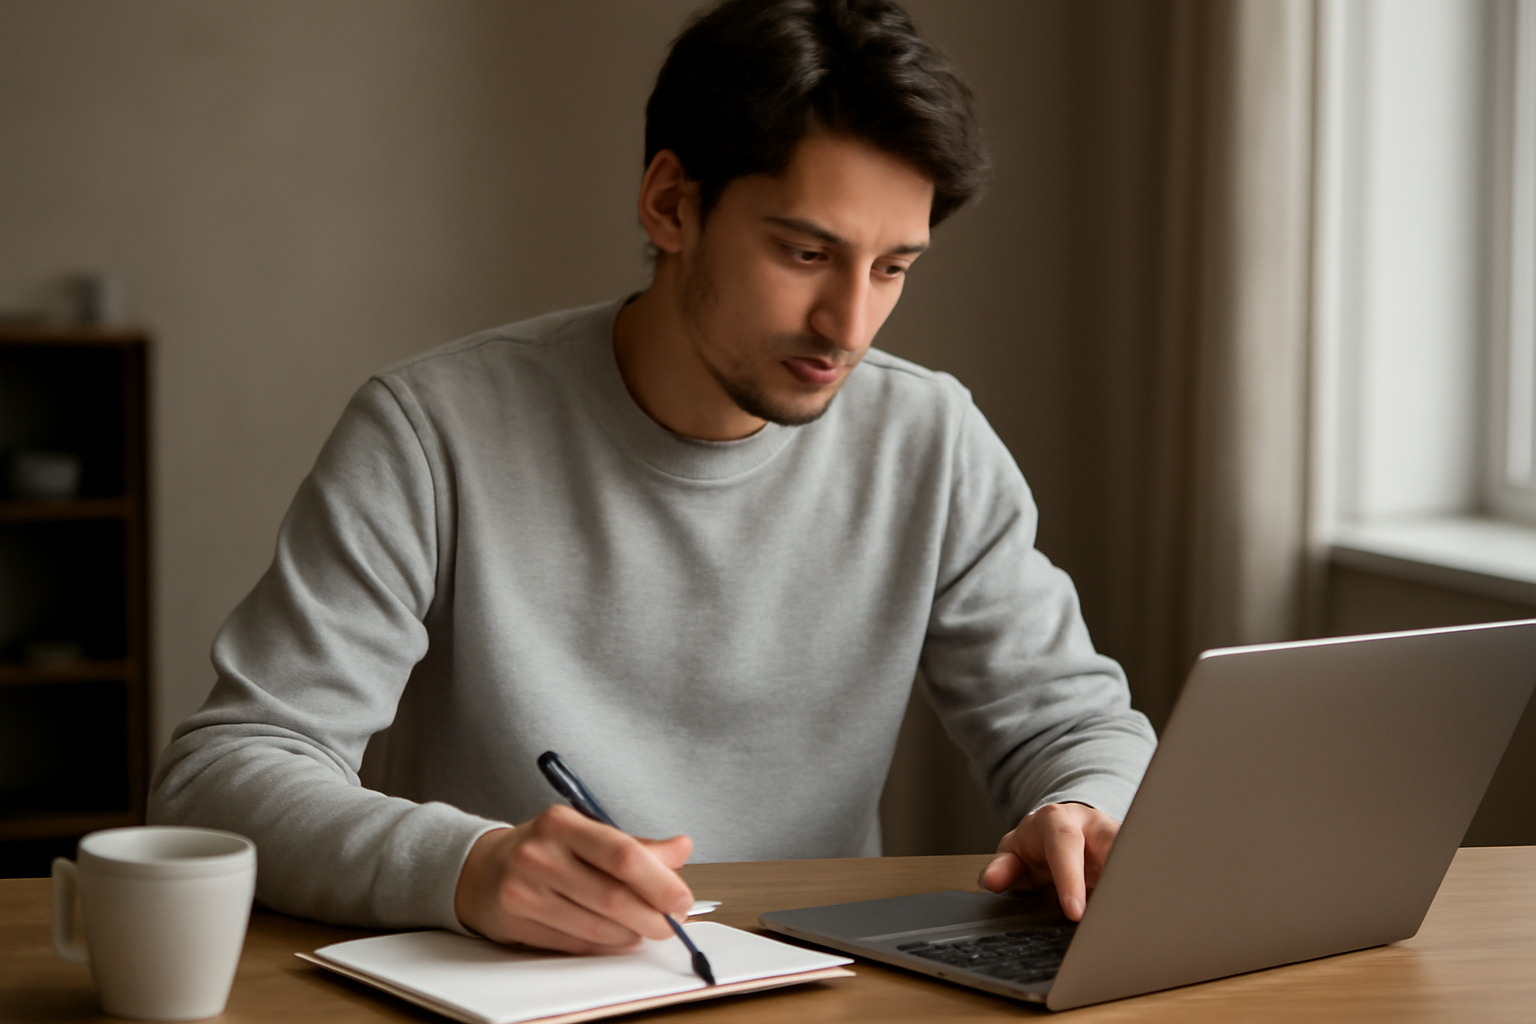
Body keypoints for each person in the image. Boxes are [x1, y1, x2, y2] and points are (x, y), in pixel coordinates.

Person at [149, 0, 1156, 957]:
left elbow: (1074, 725)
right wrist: (467, 866)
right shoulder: (430, 432)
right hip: (516, 989)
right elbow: (222, 775)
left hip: (824, 989)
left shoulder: (929, 440)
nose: (849, 325)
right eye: (807, 252)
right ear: (671, 202)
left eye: (893, 267)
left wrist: (1084, 808)